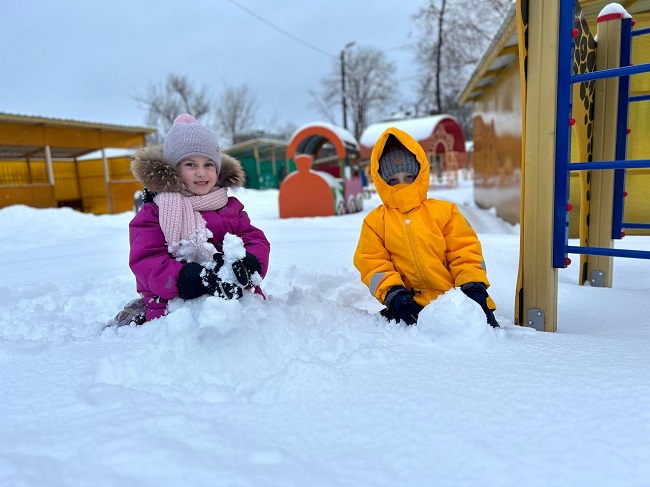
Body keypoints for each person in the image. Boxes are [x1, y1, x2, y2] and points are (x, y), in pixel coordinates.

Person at [114, 114, 270, 326]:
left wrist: (250, 262)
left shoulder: (229, 207)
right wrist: (187, 278)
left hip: (236, 303)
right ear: (174, 170)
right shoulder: (155, 212)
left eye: (208, 164)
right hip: (176, 312)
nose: (201, 172)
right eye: (190, 164)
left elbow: (255, 240)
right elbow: (147, 260)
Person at [353, 127, 499, 327]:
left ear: (420, 174)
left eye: (409, 177)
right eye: (393, 180)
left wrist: (473, 288)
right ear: (382, 182)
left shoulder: (444, 212)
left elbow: (464, 251)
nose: (402, 185)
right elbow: (373, 263)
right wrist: (395, 296)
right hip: (409, 308)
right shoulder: (375, 222)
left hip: (457, 304)